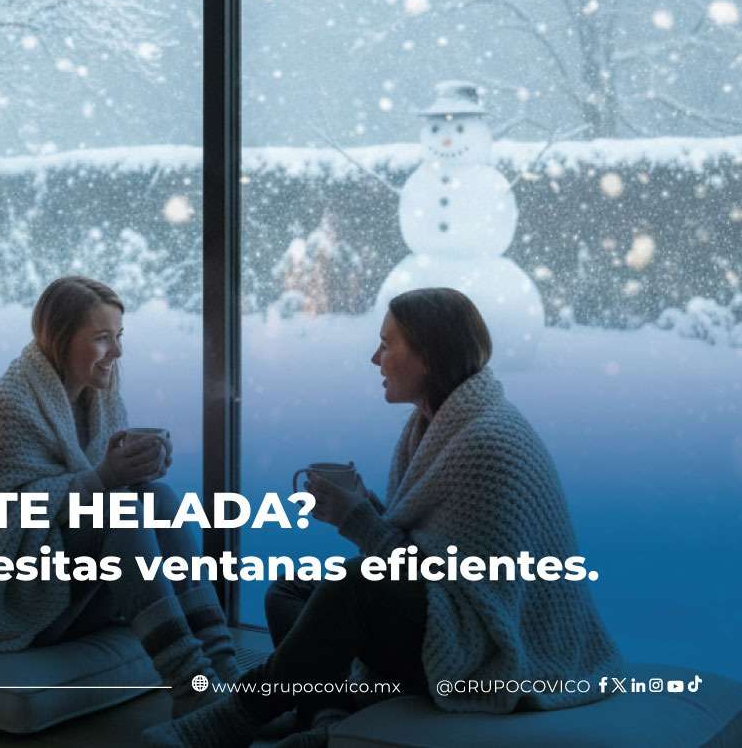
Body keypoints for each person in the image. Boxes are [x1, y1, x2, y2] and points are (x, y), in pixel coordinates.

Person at [145, 287, 623, 747]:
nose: (375, 359)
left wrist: (357, 518)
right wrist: (365, 507)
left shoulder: (486, 444)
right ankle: (326, 716)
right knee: (289, 592)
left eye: (387, 343)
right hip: (448, 610)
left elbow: (441, 577)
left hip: (485, 638)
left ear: (429, 355)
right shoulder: (433, 423)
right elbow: (425, 547)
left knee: (353, 585)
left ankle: (238, 716)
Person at [0, 276, 240, 717]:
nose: (116, 352)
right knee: (119, 513)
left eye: (118, 337)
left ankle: (225, 670)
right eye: (101, 339)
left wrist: (139, 470)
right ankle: (191, 684)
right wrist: (104, 479)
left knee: (161, 498)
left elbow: (103, 495)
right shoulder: (5, 405)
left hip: (75, 583)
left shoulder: (104, 399)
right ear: (58, 339)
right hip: (10, 592)